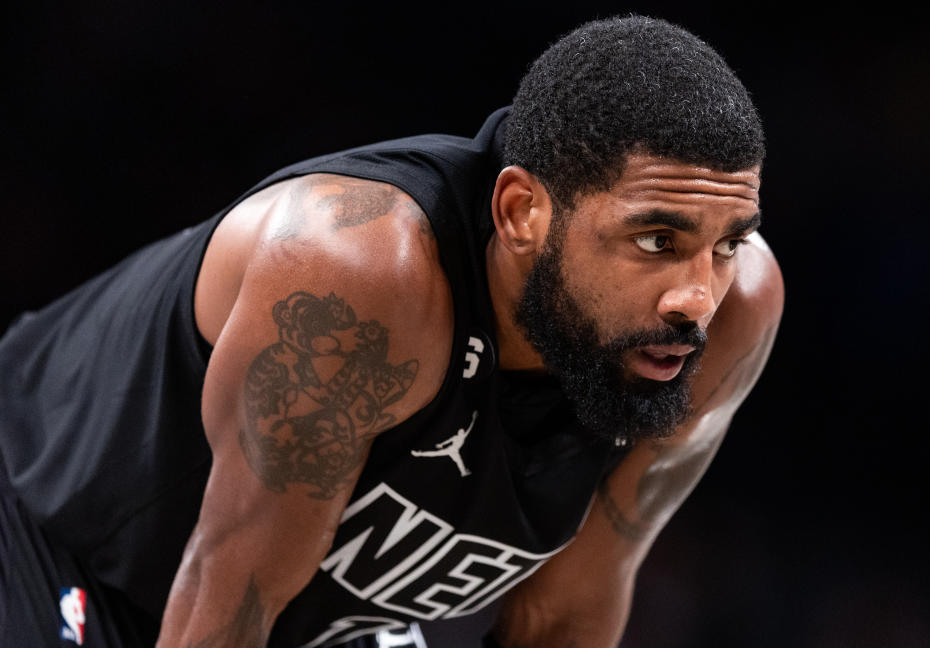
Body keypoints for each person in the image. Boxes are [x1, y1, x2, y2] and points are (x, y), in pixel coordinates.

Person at [0, 14, 783, 648]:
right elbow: (227, 597)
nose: (697, 298)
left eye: (726, 244)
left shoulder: (730, 312)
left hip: (304, 619)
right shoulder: (362, 275)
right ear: (521, 213)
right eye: (656, 240)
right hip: (54, 535)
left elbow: (563, 617)